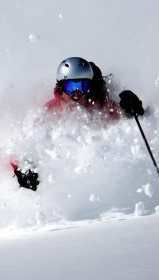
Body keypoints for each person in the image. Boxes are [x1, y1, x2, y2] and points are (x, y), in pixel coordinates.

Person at [11, 57, 145, 191]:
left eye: (82, 86)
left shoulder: (102, 106)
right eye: (71, 87)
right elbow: (25, 144)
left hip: (102, 182)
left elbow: (128, 125)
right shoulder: (51, 112)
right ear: (61, 87)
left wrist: (132, 110)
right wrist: (22, 168)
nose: (77, 93)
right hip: (65, 186)